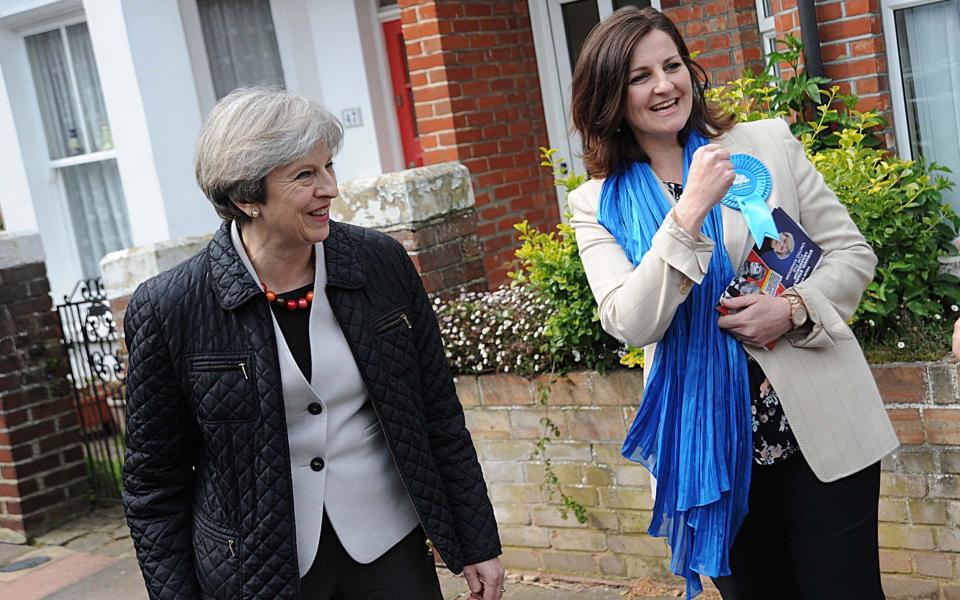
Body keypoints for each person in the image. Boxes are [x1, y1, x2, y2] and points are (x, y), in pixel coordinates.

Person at [122, 87, 505, 600]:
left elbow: (437, 414)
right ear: (246, 197)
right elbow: (154, 485)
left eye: (328, 167)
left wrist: (477, 541)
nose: (330, 189)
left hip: (388, 549)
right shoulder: (171, 307)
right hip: (255, 572)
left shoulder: (381, 264)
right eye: (305, 175)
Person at [568, 7, 897, 599]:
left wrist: (794, 307)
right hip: (712, 457)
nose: (664, 85)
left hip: (816, 423)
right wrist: (688, 211)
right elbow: (631, 322)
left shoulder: (765, 143)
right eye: (641, 76)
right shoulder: (595, 205)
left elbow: (852, 254)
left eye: (672, 65)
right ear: (611, 97)